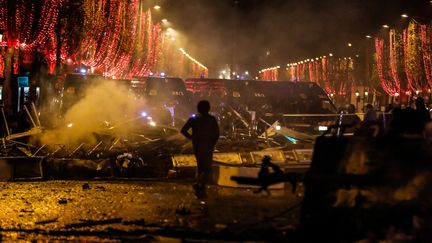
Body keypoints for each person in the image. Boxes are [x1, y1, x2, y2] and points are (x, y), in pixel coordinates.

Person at [181, 100, 219, 199]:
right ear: (208, 108)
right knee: (207, 167)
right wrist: (212, 143)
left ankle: (199, 184)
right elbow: (216, 134)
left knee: (201, 166)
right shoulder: (212, 119)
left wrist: (192, 138)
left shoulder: (194, 119)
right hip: (208, 146)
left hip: (197, 146)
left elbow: (183, 130)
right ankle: (200, 184)